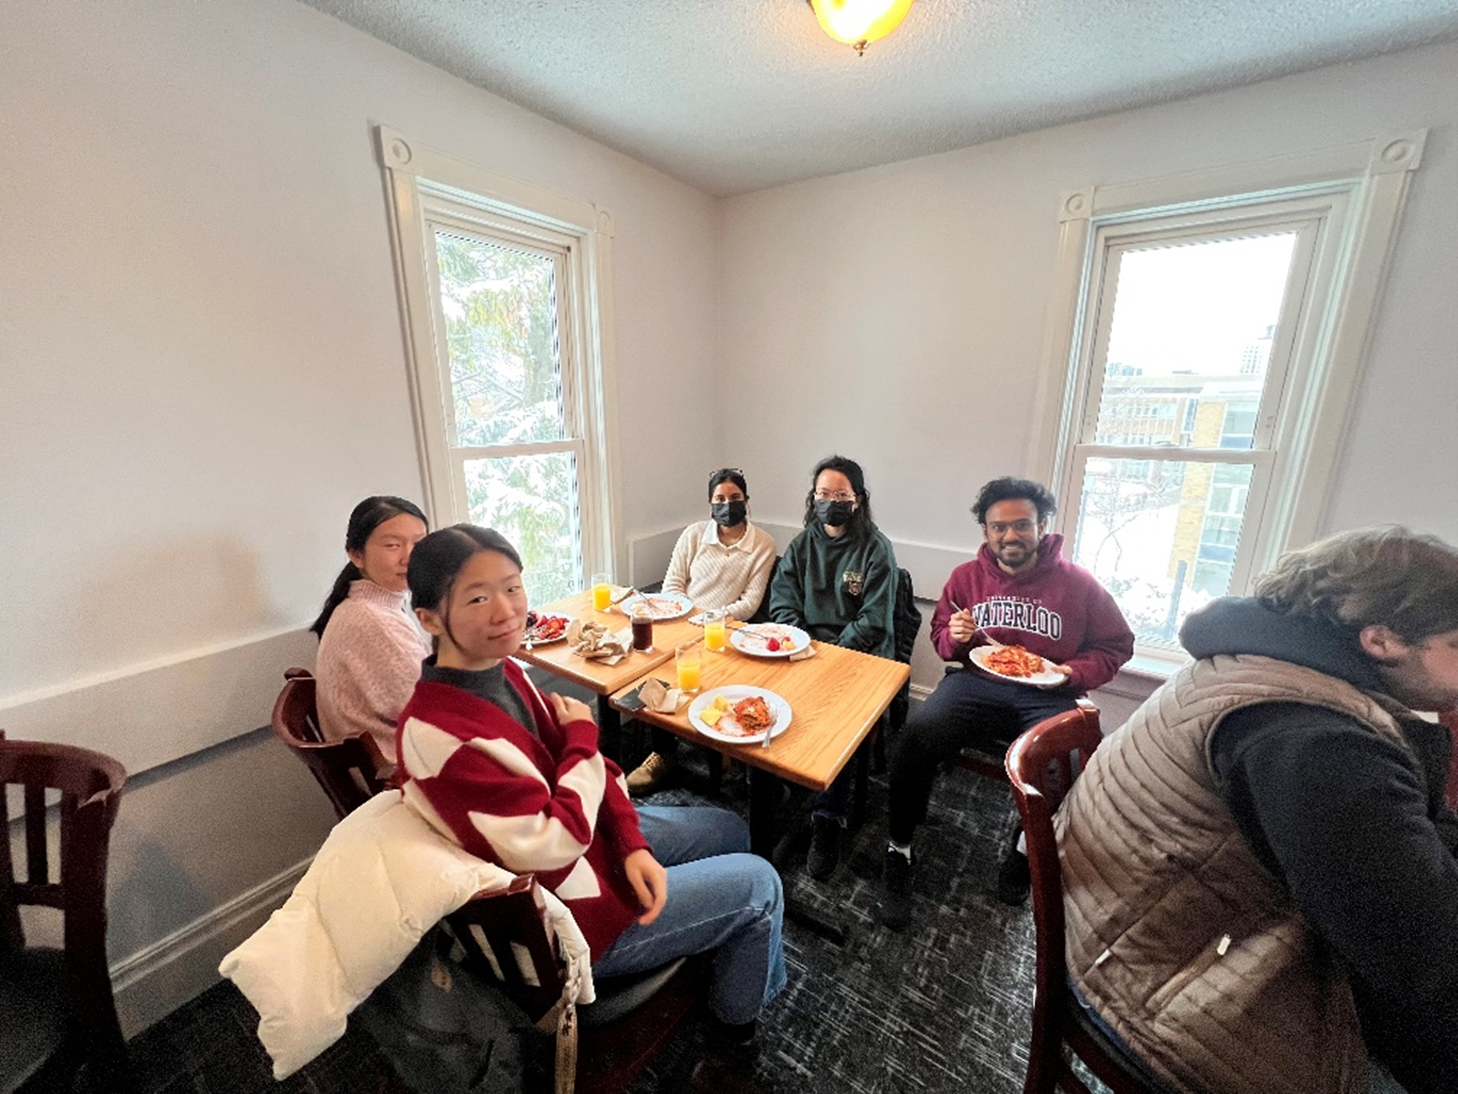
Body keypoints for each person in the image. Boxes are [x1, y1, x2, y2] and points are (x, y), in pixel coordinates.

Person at [1056, 527, 1458, 1094]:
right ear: (1381, 639)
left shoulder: (1247, 661)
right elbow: (1423, 958)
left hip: (1124, 928)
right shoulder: (1313, 737)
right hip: (1153, 989)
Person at [395, 525, 786, 1091]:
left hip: (593, 852)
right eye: (477, 597)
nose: (506, 609)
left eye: (513, 587)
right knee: (759, 884)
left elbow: (598, 769)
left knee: (727, 827)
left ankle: (720, 957)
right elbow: (555, 838)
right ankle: (733, 1042)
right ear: (430, 619)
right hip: (572, 925)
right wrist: (580, 739)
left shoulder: (500, 671)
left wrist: (629, 843)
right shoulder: (437, 734)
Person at [878, 477, 1133, 928]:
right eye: (999, 527)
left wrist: (1071, 673)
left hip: (1049, 690)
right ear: (985, 531)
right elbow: (941, 639)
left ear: (1041, 526)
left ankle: (1022, 850)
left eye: (1021, 525)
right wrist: (952, 639)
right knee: (916, 734)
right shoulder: (965, 578)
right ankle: (899, 846)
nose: (1010, 536)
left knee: (1068, 760)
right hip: (977, 684)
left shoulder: (1078, 584)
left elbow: (1116, 645)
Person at [769, 455, 898, 880]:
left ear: (858, 500)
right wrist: (802, 641)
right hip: (804, 648)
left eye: (840, 495)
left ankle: (828, 817)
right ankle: (780, 790)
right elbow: (782, 600)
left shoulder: (876, 549)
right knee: (764, 701)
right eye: (823, 495)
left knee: (836, 725)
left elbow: (874, 620)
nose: (831, 503)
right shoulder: (802, 544)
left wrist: (830, 655)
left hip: (858, 656)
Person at [627, 467, 778, 795]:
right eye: (719, 499)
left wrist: (709, 619)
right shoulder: (694, 534)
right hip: (681, 620)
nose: (727, 505)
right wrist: (689, 616)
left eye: (735, 498)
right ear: (710, 504)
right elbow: (672, 585)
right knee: (656, 670)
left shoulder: (763, 543)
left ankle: (720, 744)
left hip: (725, 628)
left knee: (711, 677)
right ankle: (663, 754)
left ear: (747, 502)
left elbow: (750, 603)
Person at [312, 495, 431, 758]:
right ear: (356, 555)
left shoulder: (362, 607)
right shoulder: (373, 621)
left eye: (420, 543)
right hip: (398, 773)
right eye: (392, 545)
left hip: (394, 758)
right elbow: (434, 715)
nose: (409, 557)